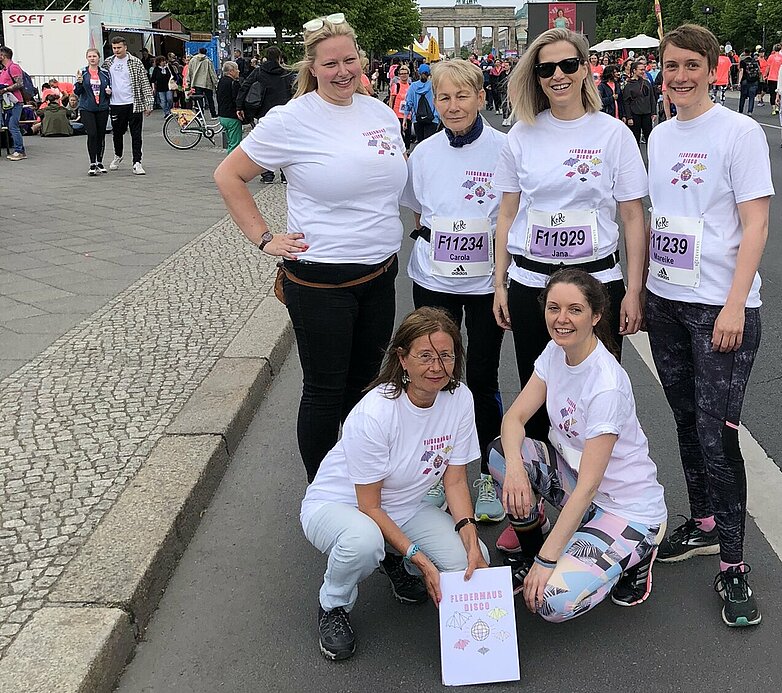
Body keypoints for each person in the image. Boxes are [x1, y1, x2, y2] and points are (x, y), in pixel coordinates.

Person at [215, 13, 408, 483]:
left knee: (368, 386)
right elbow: (228, 175)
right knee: (325, 390)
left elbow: (397, 182)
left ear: (361, 59)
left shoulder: (379, 111)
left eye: (350, 60)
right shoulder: (292, 118)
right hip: (321, 281)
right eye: (330, 63)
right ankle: (324, 490)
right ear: (313, 67)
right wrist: (265, 237)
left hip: (380, 274)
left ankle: (362, 478)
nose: (342, 71)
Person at [491, 27, 649, 558]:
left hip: (595, 283)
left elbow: (631, 215)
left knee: (595, 399)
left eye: (567, 65)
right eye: (545, 68)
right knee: (537, 403)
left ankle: (597, 505)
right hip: (534, 283)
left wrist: (635, 288)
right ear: (534, 77)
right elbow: (508, 213)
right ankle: (531, 513)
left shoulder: (613, 134)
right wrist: (500, 280)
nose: (557, 75)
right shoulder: (520, 136)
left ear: (585, 68)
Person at [646, 23, 773, 628]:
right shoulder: (660, 134)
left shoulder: (740, 133)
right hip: (667, 300)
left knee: (717, 431)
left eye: (691, 65)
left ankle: (733, 563)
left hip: (721, 308)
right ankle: (701, 523)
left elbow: (755, 225)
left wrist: (733, 302)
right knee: (684, 422)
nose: (679, 77)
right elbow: (662, 216)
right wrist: (646, 291)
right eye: (671, 66)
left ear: (713, 69)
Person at [301, 307, 489, 660]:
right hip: (340, 506)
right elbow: (369, 506)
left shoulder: (460, 398)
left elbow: (455, 480)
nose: (437, 367)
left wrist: (470, 534)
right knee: (363, 540)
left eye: (445, 355)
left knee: (471, 564)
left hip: (404, 508)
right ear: (402, 359)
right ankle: (334, 604)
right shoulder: (376, 413)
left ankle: (394, 555)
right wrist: (420, 558)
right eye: (425, 356)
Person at [487, 269, 667, 617]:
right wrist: (514, 471)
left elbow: (589, 486)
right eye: (553, 308)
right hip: (583, 495)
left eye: (575, 309)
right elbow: (513, 419)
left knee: (550, 601)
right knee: (501, 453)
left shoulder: (606, 384)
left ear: (596, 315)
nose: (562, 319)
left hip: (626, 509)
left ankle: (639, 552)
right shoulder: (555, 353)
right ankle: (538, 544)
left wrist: (547, 561)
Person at [401, 60, 508, 523]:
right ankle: (436, 476)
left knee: (480, 379)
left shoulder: (505, 149)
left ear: (481, 97)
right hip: (433, 281)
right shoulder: (423, 154)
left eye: (462, 96)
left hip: (486, 285)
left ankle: (486, 472)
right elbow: (419, 214)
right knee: (433, 379)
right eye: (443, 97)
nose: (453, 106)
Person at [236, 45, 294, 184]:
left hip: (264, 113)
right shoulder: (286, 72)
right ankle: (285, 175)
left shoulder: (259, 71)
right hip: (284, 112)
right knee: (285, 143)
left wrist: (240, 105)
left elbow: (245, 86)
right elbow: (294, 89)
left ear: (266, 57)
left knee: (266, 144)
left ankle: (267, 175)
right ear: (280, 57)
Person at [103, 36, 154, 175]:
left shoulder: (135, 62)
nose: (116, 50)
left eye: (119, 47)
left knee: (136, 134)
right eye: (114, 48)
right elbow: (102, 80)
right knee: (117, 133)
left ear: (125, 47)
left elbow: (144, 82)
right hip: (115, 103)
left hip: (134, 103)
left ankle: (137, 162)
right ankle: (118, 155)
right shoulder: (108, 63)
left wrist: (148, 103)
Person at [75, 48, 112, 175]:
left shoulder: (105, 73)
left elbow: (109, 88)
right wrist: (79, 83)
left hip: (102, 108)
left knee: (101, 135)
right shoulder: (83, 72)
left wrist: (109, 93)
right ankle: (92, 162)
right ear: (87, 58)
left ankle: (100, 161)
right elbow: (77, 92)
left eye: (94, 56)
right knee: (92, 134)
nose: (92, 58)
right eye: (90, 56)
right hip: (87, 108)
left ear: (99, 58)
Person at [0, 45, 28, 161]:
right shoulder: (5, 69)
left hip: (15, 101)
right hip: (8, 102)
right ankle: (18, 149)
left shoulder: (13, 67)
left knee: (13, 125)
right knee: (11, 125)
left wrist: (5, 89)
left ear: (3, 56)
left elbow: (20, 83)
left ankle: (20, 150)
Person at [403, 63, 439, 145]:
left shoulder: (413, 86)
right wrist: (438, 117)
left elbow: (408, 104)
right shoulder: (434, 86)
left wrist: (405, 119)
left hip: (417, 119)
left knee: (421, 144)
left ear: (418, 73)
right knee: (430, 144)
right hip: (433, 119)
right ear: (429, 74)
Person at [622, 59, 657, 143]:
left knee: (649, 137)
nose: (643, 71)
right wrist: (629, 117)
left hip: (647, 113)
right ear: (634, 70)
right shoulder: (628, 85)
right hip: (635, 114)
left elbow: (651, 97)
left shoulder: (646, 83)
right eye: (641, 69)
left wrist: (654, 112)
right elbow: (626, 102)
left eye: (643, 69)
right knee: (635, 138)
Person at [216, 61, 242, 155]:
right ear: (231, 71)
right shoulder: (233, 84)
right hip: (232, 117)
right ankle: (232, 165)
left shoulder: (221, 81)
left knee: (230, 142)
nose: (238, 71)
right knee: (235, 144)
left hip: (222, 116)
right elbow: (237, 99)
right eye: (237, 69)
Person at [188, 47, 218, 118]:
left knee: (198, 100)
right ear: (205, 52)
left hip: (196, 83)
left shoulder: (192, 60)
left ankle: (200, 115)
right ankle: (213, 114)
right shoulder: (208, 61)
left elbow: (190, 72)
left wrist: (189, 82)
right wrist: (215, 83)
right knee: (210, 99)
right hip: (207, 83)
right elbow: (212, 73)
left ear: (199, 51)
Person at [388, 64, 413, 149]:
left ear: (408, 74)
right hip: (397, 112)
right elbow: (392, 99)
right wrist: (390, 111)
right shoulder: (396, 86)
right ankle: (401, 149)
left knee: (408, 132)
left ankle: (407, 149)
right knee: (400, 132)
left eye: (405, 73)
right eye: (401, 73)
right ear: (399, 75)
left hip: (408, 113)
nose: (403, 75)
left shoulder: (411, 86)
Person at [737, 47, 760, 115]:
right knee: (752, 97)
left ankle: (741, 109)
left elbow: (741, 71)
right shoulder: (755, 61)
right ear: (750, 53)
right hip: (754, 80)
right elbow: (759, 71)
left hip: (745, 80)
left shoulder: (743, 62)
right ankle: (750, 111)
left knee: (743, 96)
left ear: (744, 53)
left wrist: (739, 82)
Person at [765, 43, 782, 115]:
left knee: (772, 94)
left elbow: (768, 67)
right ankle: (778, 106)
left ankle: (773, 109)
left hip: (771, 78)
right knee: (779, 93)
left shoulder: (771, 57)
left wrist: (765, 75)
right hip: (780, 78)